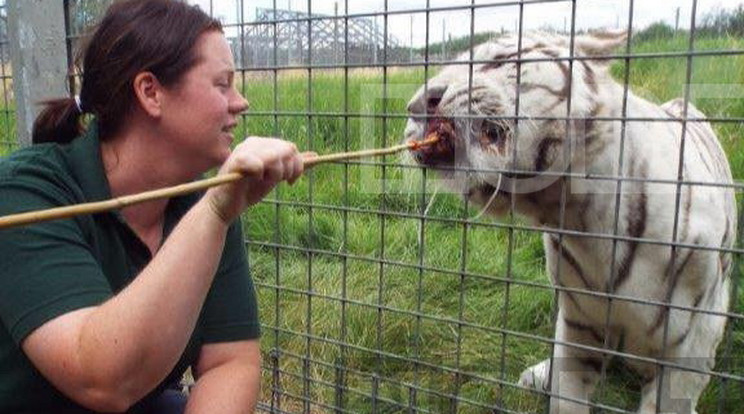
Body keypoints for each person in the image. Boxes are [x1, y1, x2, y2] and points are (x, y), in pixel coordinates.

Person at [0, 0, 307, 412]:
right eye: (222, 84)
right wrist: (214, 213)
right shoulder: (26, 192)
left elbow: (230, 361)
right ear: (150, 92)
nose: (241, 102)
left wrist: (214, 212)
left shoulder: (203, 201)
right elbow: (100, 379)